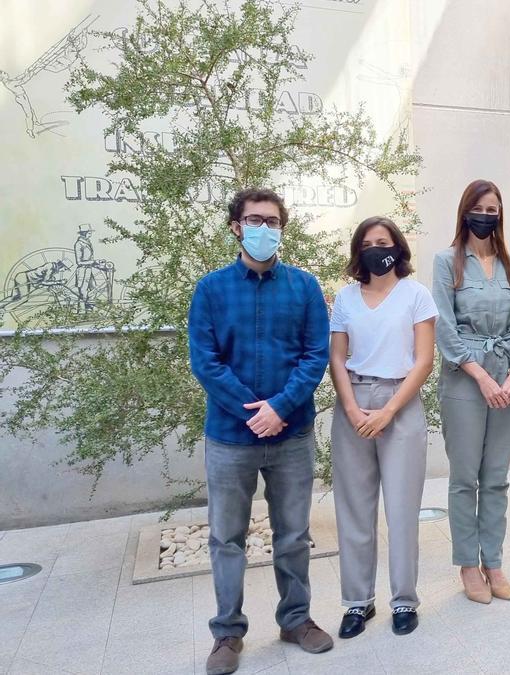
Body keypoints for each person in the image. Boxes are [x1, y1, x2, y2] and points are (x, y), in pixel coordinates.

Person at [188, 188, 333, 675]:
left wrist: (281, 407)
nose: (264, 229)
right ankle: (227, 632)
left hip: (291, 436)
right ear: (235, 226)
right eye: (254, 220)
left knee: (293, 534)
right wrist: (254, 411)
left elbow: (315, 356)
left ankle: (296, 620)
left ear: (282, 228)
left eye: (273, 222)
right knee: (227, 538)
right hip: (230, 438)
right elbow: (205, 362)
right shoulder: (210, 289)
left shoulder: (305, 287)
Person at [328, 216, 437, 638]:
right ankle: (358, 602)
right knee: (354, 508)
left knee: (402, 507)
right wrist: (353, 409)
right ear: (359, 252)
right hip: (353, 403)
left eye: (384, 241)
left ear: (398, 248)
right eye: (368, 243)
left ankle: (404, 600)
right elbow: (337, 357)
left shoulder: (416, 295)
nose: (377, 248)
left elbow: (424, 360)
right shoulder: (346, 299)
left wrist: (389, 411)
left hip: (401, 405)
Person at [432, 180, 510, 604]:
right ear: (464, 211)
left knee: (496, 477)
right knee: (464, 477)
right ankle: (468, 566)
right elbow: (443, 323)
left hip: (507, 373)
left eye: (493, 209)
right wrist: (481, 375)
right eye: (479, 207)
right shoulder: (446, 261)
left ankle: (493, 560)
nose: (485, 215)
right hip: (465, 376)